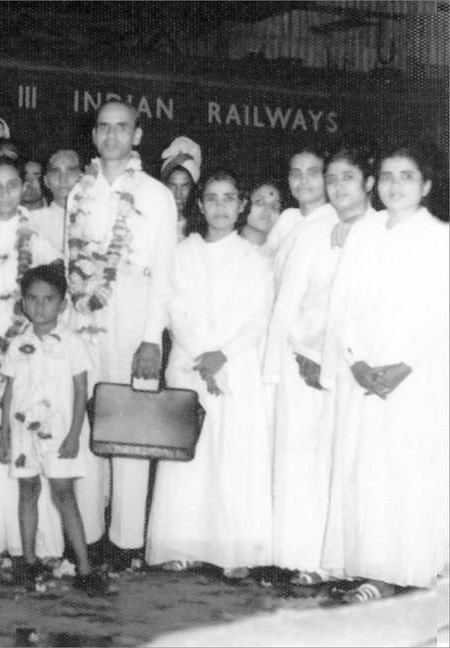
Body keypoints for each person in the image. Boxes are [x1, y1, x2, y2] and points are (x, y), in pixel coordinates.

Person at [320, 146, 448, 603]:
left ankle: (411, 570)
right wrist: (356, 360)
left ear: (426, 185)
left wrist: (405, 364)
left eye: (407, 176)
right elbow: (343, 305)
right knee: (366, 473)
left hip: (417, 376)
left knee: (408, 474)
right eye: (388, 176)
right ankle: (374, 571)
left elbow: (442, 314)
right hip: (366, 374)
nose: (395, 185)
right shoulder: (363, 234)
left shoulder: (440, 238)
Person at [65, 101, 178, 567]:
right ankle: (89, 534)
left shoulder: (156, 195)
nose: (112, 136)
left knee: (130, 428)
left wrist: (151, 337)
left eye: (122, 127)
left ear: (137, 136)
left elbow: (165, 271)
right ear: (94, 135)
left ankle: (126, 542)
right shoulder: (80, 192)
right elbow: (71, 265)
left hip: (133, 321)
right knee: (86, 422)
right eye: (104, 128)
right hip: (83, 324)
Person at [146, 170, 274, 580]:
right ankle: (182, 545)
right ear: (200, 205)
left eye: (229, 198)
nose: (221, 206)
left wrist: (224, 355)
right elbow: (173, 307)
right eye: (213, 198)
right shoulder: (183, 253)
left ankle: (233, 549)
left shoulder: (255, 258)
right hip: (190, 364)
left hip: (237, 367)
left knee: (233, 456)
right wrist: (204, 354)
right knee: (191, 458)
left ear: (242, 205)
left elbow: (259, 316)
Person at [264, 141, 378, 588]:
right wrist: (302, 351)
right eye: (332, 179)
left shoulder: (374, 231)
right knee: (301, 461)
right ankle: (304, 556)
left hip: (347, 364)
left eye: (346, 178)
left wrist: (321, 354)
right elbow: (295, 298)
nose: (335, 187)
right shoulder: (314, 229)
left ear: (368, 182)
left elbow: (352, 305)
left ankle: (343, 562)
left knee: (339, 463)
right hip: (301, 358)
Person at [0, 157, 62, 561]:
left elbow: (54, 287)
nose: (4, 194)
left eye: (12, 185)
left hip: (24, 349)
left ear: (24, 187)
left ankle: (33, 540)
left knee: (27, 432)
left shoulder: (35, 235)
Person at [0, 264, 106, 595]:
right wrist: (4, 436)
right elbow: (10, 392)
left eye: (48, 299)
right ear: (23, 303)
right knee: (27, 491)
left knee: (65, 495)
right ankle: (29, 562)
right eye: (32, 298)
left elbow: (81, 391)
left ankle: (84, 568)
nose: (39, 305)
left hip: (59, 434)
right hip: (23, 433)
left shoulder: (73, 342)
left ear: (62, 304)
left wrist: (74, 435)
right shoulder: (17, 343)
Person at [264, 146, 331, 285]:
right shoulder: (287, 218)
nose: (303, 180)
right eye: (296, 174)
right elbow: (265, 261)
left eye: (313, 173)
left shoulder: (335, 221)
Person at [29, 149, 82, 253]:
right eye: (56, 172)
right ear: (46, 181)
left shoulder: (94, 218)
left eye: (70, 171)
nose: (63, 179)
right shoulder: (33, 221)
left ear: (82, 176)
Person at [160, 136, 202, 241]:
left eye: (185, 186)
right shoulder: (153, 222)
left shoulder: (202, 228)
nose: (178, 194)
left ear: (193, 188)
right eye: (172, 186)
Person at [240, 181, 282, 247]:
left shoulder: (286, 250)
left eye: (274, 206)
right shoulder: (226, 247)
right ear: (243, 205)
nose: (268, 210)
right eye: (260, 202)